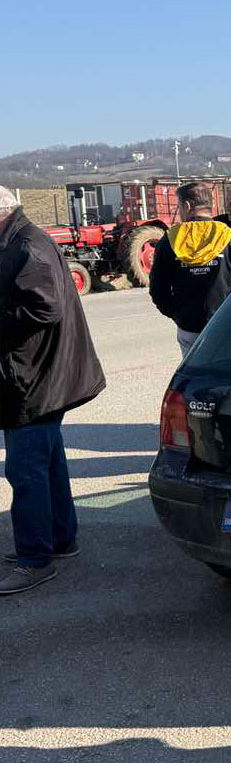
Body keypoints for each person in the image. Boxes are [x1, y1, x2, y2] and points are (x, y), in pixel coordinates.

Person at [0, 186, 106, 595]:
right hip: (40, 374)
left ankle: (35, 560)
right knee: (47, 461)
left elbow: (45, 307)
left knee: (25, 470)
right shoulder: (20, 239)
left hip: (34, 377)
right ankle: (60, 538)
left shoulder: (28, 245)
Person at [149, 181, 231, 358]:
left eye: (179, 206)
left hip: (190, 327)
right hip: (226, 325)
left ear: (187, 206)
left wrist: (178, 315)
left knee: (195, 378)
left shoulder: (170, 241)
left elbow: (158, 290)